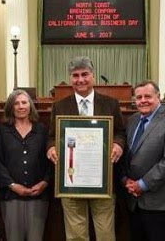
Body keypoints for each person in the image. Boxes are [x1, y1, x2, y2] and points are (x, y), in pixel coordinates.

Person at [46, 56, 125, 241]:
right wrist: (51, 148)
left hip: (102, 180)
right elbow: (51, 136)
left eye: (84, 74)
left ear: (93, 76)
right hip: (71, 181)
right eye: (75, 75)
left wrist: (118, 144)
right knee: (75, 235)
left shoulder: (110, 103)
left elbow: (120, 132)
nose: (80, 79)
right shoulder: (60, 106)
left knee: (105, 233)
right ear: (70, 78)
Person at [120, 80, 165, 241]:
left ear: (158, 96)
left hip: (160, 202)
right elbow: (126, 156)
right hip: (133, 201)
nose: (143, 100)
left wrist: (142, 184)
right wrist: (125, 180)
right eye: (139, 97)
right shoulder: (132, 120)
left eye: (148, 96)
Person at [0, 89, 52, 241]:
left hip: (38, 195)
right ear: (10, 108)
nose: (21, 106)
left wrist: (45, 183)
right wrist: (12, 185)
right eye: (16, 103)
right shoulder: (2, 132)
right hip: (11, 195)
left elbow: (51, 161)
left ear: (30, 105)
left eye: (24, 102)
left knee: (35, 238)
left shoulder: (42, 130)